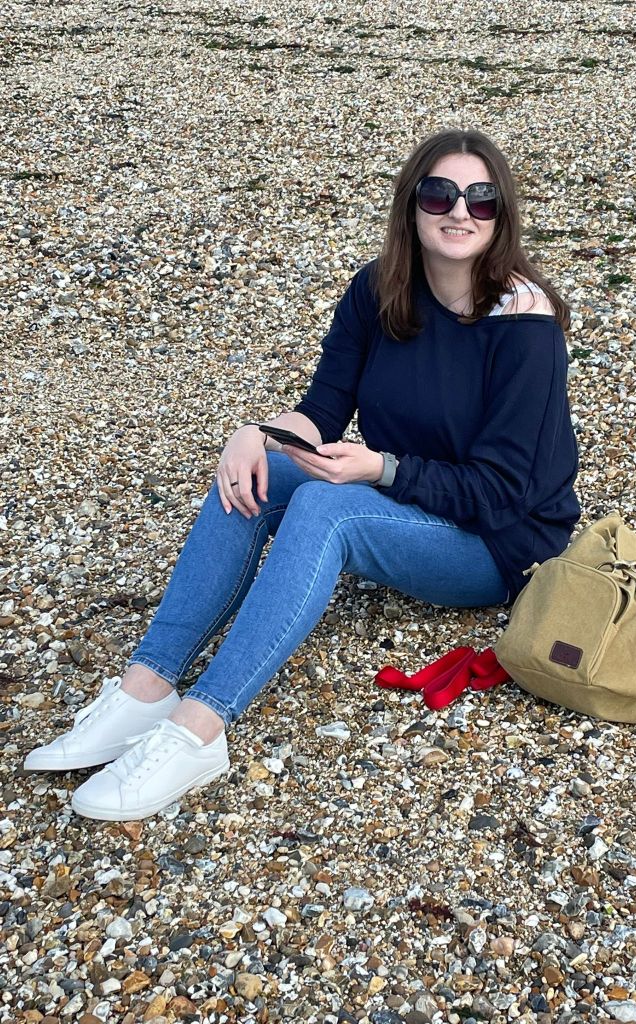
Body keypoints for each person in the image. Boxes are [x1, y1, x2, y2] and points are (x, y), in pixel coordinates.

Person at [24, 129, 580, 820]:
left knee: (326, 508)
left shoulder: (524, 324)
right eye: (439, 193)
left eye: (481, 199)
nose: (458, 211)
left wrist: (379, 467)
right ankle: (148, 686)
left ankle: (200, 729)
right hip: (405, 494)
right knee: (251, 479)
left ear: (502, 216)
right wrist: (256, 434)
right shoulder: (380, 289)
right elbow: (323, 407)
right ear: (412, 204)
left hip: (500, 543)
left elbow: (503, 492)